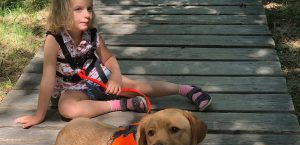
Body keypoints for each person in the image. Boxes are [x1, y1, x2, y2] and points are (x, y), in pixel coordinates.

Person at [15, 0, 212, 129]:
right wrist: (39, 115)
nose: (87, 15)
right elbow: (48, 78)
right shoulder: (54, 40)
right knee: (67, 110)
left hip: (101, 79)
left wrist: (116, 77)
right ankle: (121, 105)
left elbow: (109, 59)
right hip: (73, 89)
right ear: (62, 12)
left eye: (89, 8)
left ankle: (185, 89)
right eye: (79, 9)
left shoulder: (92, 35)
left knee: (135, 86)